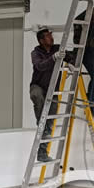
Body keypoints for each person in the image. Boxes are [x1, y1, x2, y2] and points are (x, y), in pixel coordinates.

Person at [30, 27, 62, 163]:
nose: (51, 38)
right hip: (38, 86)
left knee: (49, 124)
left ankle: (42, 153)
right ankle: (40, 121)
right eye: (48, 36)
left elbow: (70, 56)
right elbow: (40, 66)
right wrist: (53, 58)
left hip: (52, 89)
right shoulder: (35, 53)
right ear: (41, 40)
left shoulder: (57, 48)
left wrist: (72, 61)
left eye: (51, 35)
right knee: (37, 96)